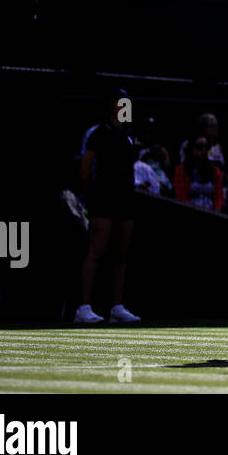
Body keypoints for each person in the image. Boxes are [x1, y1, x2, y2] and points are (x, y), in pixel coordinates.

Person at [76, 90, 143, 324]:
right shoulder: (98, 134)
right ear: (113, 107)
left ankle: (116, 307)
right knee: (96, 252)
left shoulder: (129, 135)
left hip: (125, 201)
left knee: (120, 255)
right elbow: (86, 167)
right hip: (102, 201)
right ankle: (83, 307)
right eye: (121, 103)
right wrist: (89, 197)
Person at [172, 135, 225, 213]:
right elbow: (181, 196)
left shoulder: (215, 171)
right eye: (199, 147)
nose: (203, 150)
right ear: (192, 149)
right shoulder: (181, 170)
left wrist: (216, 211)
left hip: (212, 214)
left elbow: (219, 197)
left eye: (206, 147)